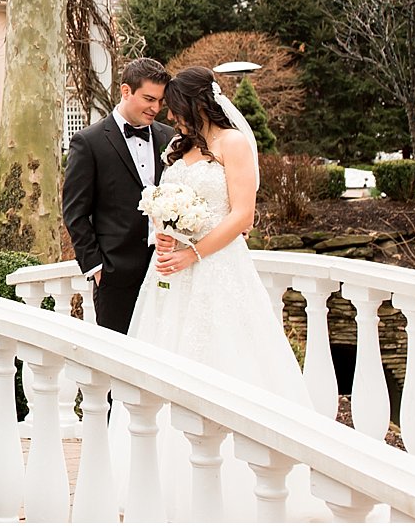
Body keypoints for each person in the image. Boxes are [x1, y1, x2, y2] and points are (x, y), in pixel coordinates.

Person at [113, 65, 323, 520]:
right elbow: (162, 204)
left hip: (218, 271)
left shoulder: (234, 144)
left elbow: (242, 216)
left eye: (174, 106)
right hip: (169, 275)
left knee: (226, 361)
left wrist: (195, 253)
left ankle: (237, 489)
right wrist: (164, 233)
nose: (169, 114)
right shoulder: (176, 147)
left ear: (194, 103)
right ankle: (159, 485)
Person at [61, 57, 175, 333]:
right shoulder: (89, 142)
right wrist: (98, 268)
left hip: (167, 270)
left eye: (160, 101)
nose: (156, 108)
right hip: (115, 276)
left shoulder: (169, 137)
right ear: (126, 91)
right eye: (149, 98)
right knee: (119, 362)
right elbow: (75, 212)